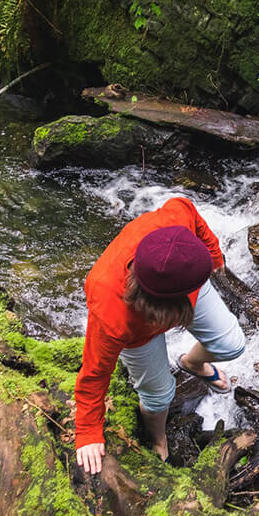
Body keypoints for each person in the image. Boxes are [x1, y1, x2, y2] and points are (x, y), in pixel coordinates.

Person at [74, 196, 247, 475]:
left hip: (182, 282)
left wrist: (213, 255)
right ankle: (157, 438)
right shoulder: (110, 310)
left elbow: (186, 206)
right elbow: (95, 373)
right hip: (137, 326)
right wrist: (87, 430)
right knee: (158, 397)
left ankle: (191, 363)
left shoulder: (175, 228)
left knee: (231, 344)